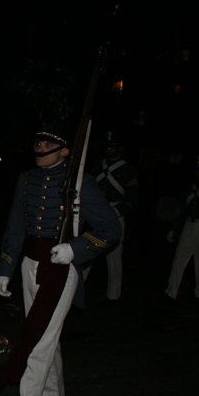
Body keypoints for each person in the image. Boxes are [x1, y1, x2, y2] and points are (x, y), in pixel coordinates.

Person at [0, 118, 121, 396]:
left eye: (48, 145)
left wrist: (75, 248)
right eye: (38, 144)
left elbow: (111, 229)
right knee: (46, 335)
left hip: (61, 267)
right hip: (29, 264)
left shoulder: (80, 183)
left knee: (38, 341)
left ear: (65, 150)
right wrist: (6, 267)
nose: (40, 149)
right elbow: (16, 226)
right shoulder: (27, 179)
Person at [82, 130, 138, 304]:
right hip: (97, 213)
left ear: (119, 148)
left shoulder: (128, 169)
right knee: (87, 251)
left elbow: (132, 197)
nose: (109, 150)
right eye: (106, 147)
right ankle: (75, 287)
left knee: (114, 257)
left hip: (115, 213)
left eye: (112, 147)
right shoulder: (97, 165)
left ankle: (113, 295)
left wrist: (118, 211)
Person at [165, 156, 199, 303]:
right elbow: (181, 209)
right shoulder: (188, 188)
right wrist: (174, 229)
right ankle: (171, 292)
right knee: (178, 260)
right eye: (198, 170)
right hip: (189, 225)